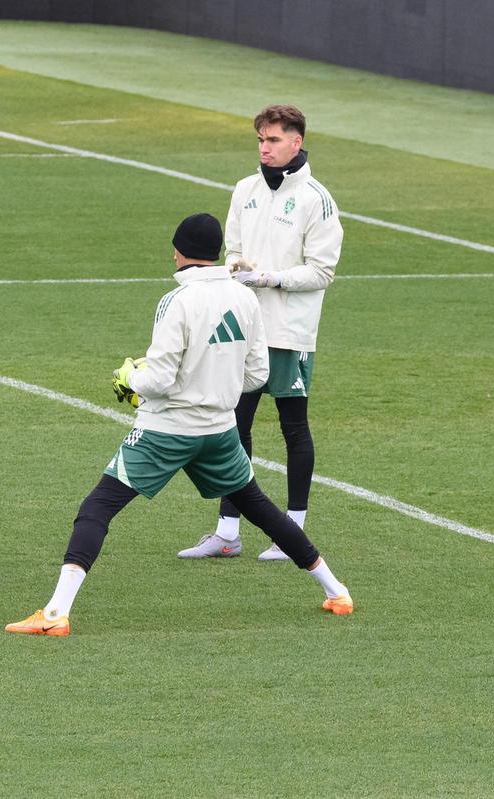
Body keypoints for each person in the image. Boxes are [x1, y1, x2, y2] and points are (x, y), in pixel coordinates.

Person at [6, 213, 353, 637]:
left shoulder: (177, 302)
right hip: (220, 431)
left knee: (97, 508)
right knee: (259, 507)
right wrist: (215, 389)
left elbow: (158, 380)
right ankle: (336, 590)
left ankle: (56, 614)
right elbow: (257, 374)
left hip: (166, 431)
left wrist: (128, 378)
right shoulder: (245, 298)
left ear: (178, 252)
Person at [179, 104, 343, 562]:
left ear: (296, 141)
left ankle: (294, 535)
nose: (264, 148)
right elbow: (233, 250)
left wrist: (270, 278)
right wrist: (239, 269)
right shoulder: (245, 189)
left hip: (289, 333)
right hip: (244, 328)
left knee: (293, 428)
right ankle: (228, 531)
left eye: (273, 140)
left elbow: (322, 272)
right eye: (260, 140)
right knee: (234, 426)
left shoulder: (316, 199)